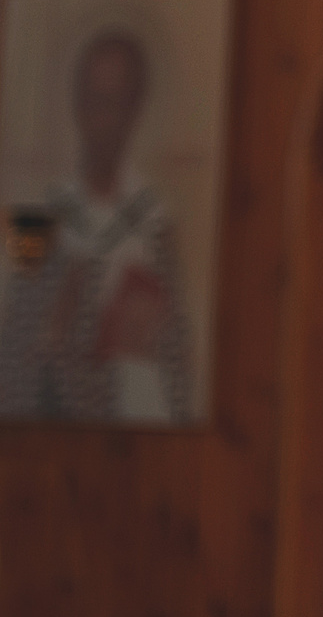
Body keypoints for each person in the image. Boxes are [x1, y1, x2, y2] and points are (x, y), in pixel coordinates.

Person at [0, 30, 194, 424]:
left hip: (136, 418)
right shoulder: (41, 211)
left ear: (133, 109)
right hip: (58, 419)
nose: (98, 119)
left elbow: (176, 354)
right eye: (88, 99)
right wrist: (58, 318)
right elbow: (15, 344)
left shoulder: (153, 218)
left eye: (112, 102)